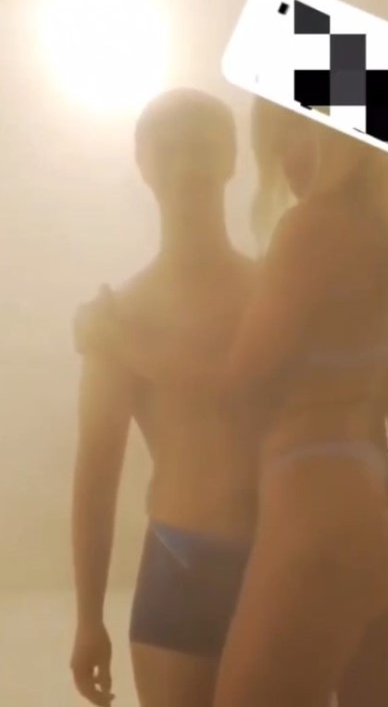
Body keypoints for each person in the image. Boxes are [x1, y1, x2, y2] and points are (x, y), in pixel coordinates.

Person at [79, 98, 388, 706]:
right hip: (336, 525)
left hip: (303, 535)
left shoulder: (289, 258)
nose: (284, 163)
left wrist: (120, 342)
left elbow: (235, 380)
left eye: (287, 139)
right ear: (141, 162)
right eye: (168, 149)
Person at [69, 88, 260, 707]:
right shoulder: (122, 315)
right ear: (144, 164)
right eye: (170, 150)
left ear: (231, 157)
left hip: (279, 555)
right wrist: (88, 618)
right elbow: (96, 475)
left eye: (203, 147)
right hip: (182, 560)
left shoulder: (272, 294)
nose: (187, 166)